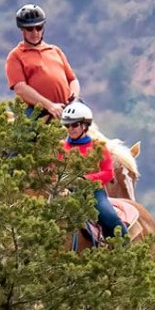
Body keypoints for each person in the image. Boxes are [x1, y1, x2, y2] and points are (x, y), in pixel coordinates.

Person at [60, 101, 126, 243]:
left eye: (75, 125)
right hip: (65, 192)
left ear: (85, 125)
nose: (70, 129)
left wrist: (84, 179)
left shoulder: (98, 146)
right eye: (67, 125)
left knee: (109, 217)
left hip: (94, 193)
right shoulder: (60, 148)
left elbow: (108, 173)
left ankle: (126, 250)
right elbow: (55, 171)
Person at [5, 4, 80, 120]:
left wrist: (74, 98)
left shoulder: (55, 50)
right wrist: (49, 106)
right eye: (30, 29)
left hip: (67, 107)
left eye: (39, 27)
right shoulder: (15, 56)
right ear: (22, 30)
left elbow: (72, 79)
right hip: (36, 111)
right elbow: (20, 88)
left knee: (87, 128)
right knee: (25, 134)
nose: (35, 32)